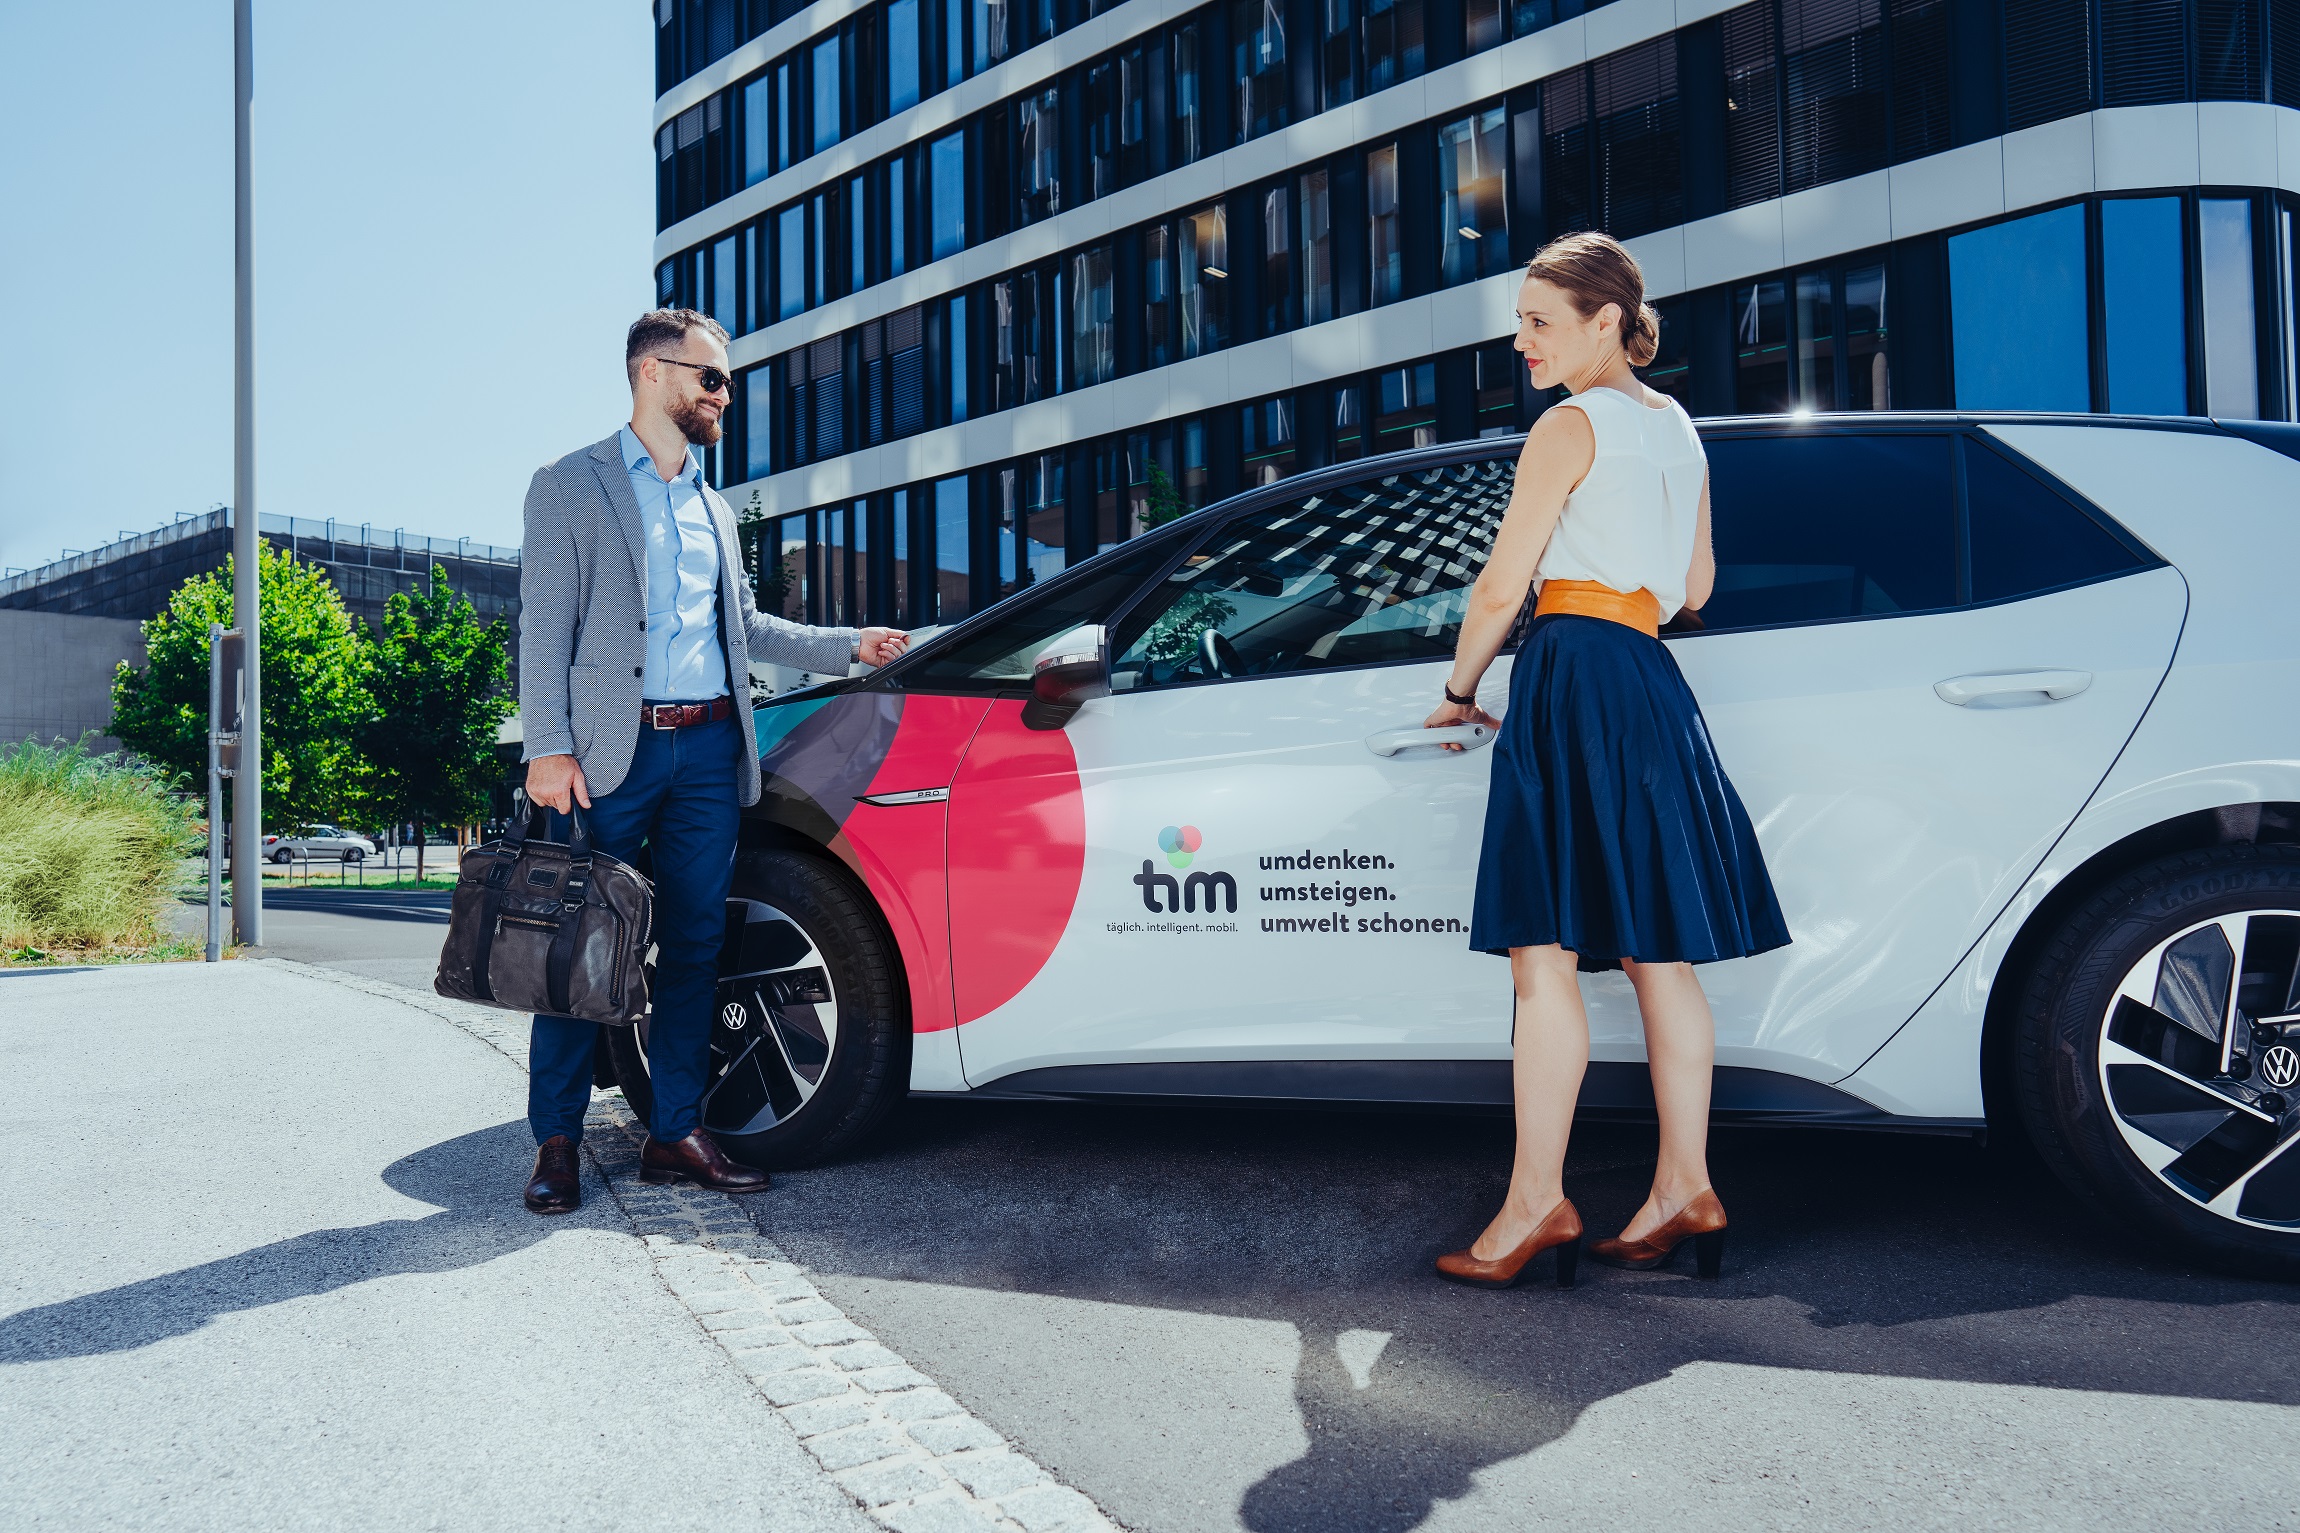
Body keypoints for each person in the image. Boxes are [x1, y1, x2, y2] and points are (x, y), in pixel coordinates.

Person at [1426, 234, 1790, 1288]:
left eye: (1538, 320)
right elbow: (1698, 587)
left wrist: (1456, 690)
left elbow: (1501, 587)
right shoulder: (1673, 425)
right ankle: (1683, 1185)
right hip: (1647, 678)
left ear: (1601, 323)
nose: (1520, 339)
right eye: (1518, 320)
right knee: (1656, 954)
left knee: (1541, 953)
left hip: (1574, 667)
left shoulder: (1567, 425)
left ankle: (1534, 1205)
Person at [514, 309, 910, 1214]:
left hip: (705, 753)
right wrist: (548, 744)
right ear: (653, 374)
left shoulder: (712, 506)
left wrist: (853, 645)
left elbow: (750, 629)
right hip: (608, 756)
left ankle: (674, 1132)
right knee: (584, 948)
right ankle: (559, 1141)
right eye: (711, 378)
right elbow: (544, 626)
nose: (724, 396)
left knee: (695, 943)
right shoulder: (569, 486)